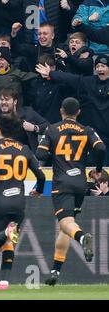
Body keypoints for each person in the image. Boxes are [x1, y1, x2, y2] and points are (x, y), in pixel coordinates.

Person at [35, 97, 106, 286]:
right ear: (78, 113)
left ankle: (82, 237)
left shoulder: (52, 129)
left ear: (61, 111)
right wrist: (98, 169)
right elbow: (101, 148)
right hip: (80, 184)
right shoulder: (87, 130)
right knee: (66, 226)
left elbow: (40, 154)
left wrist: (54, 151)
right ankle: (55, 272)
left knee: (67, 223)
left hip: (62, 183)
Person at [0, 114, 45, 290]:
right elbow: (41, 175)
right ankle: (4, 282)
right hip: (18, 202)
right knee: (9, 242)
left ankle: (6, 232)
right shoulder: (24, 149)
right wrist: (39, 190)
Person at [36, 54, 109, 164]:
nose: (100, 69)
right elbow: (70, 79)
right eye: (97, 66)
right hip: (91, 135)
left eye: (103, 66)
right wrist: (51, 73)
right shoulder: (88, 82)